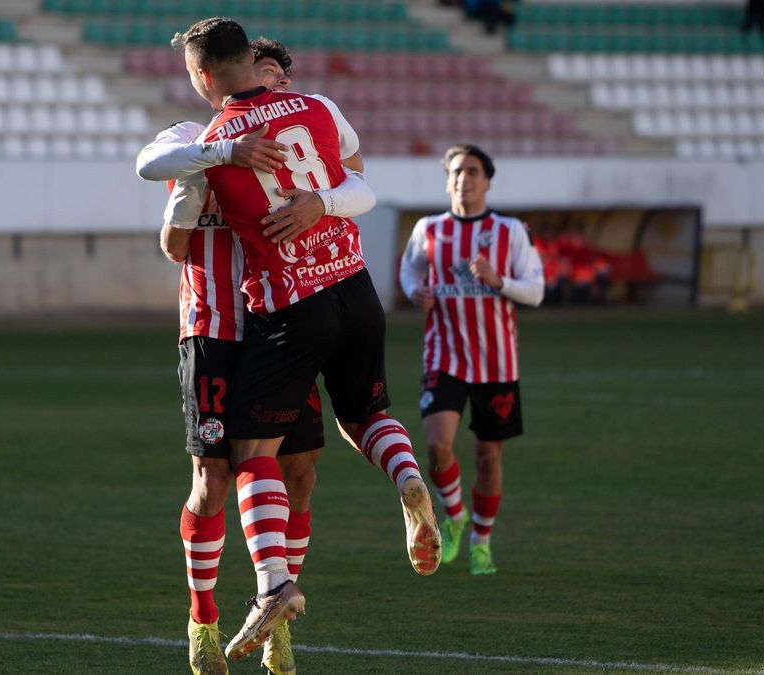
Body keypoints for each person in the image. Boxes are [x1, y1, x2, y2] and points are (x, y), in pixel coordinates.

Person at [170, 17, 442, 662]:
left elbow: (356, 178)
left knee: (260, 455)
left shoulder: (216, 134)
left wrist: (252, 169)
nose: (281, 81)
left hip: (285, 311)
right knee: (365, 417)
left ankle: (273, 592)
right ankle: (406, 478)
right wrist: (313, 195)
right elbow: (361, 178)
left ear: (205, 75)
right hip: (328, 297)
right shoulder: (305, 114)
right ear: (249, 64)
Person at [137, 37, 379, 675]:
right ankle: (203, 619)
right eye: (258, 77)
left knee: (299, 475)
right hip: (215, 330)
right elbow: (169, 234)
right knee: (213, 482)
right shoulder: (200, 137)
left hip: (282, 325)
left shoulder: (297, 140)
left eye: (276, 81)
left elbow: (353, 184)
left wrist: (315, 207)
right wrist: (210, 174)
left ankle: (276, 616)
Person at [398, 145, 544, 575]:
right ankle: (456, 515)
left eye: (473, 171)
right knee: (438, 445)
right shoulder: (429, 228)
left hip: (496, 363)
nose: (465, 178)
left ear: (487, 181)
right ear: (448, 181)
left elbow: (535, 289)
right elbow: (409, 271)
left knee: (488, 456)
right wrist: (414, 291)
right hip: (443, 356)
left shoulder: (510, 230)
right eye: (458, 171)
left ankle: (481, 539)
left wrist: (501, 281)